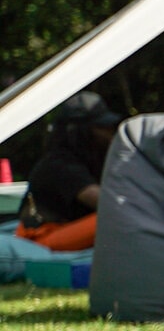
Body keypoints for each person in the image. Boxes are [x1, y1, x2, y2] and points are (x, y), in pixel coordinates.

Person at [18, 92, 124, 250]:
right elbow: (106, 203)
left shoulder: (87, 159)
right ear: (79, 132)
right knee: (119, 216)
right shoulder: (59, 163)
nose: (110, 133)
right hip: (40, 235)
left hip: (64, 228)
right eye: (101, 127)